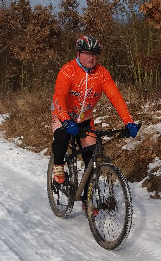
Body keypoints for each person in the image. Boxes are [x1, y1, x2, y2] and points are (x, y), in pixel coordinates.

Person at [51, 35, 139, 185]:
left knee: (90, 158)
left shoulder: (102, 73)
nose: (91, 58)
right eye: (87, 53)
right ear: (78, 53)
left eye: (94, 54)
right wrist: (65, 119)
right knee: (62, 136)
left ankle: (87, 201)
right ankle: (58, 165)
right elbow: (59, 96)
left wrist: (128, 122)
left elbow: (116, 97)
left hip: (85, 118)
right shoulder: (68, 70)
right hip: (62, 113)